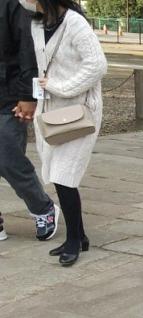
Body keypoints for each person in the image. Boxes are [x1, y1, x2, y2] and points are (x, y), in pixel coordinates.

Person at [28, 0, 105, 266]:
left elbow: (97, 66)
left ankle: (74, 239)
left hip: (80, 110)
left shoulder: (75, 23)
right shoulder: (38, 22)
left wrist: (61, 87)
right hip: (50, 112)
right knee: (57, 172)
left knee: (64, 175)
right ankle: (79, 235)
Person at [0, 0, 59, 242]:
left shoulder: (10, 5)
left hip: (10, 95)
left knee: (9, 159)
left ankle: (42, 207)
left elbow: (28, 49)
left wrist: (29, 95)